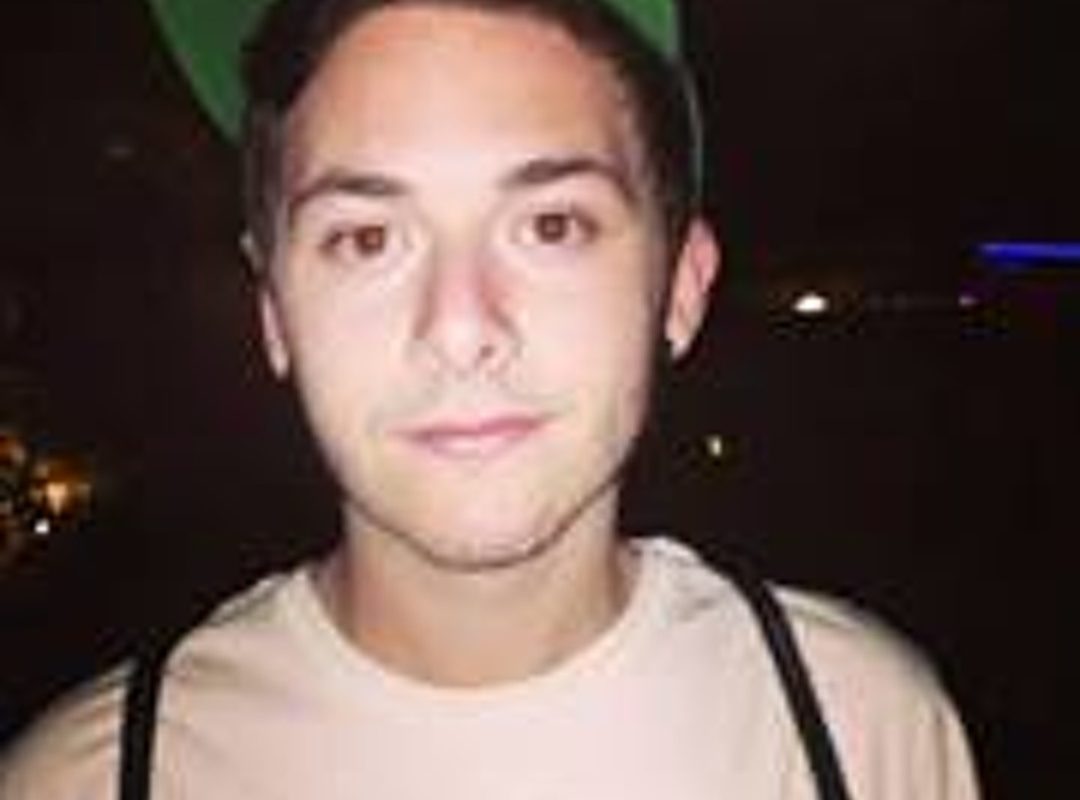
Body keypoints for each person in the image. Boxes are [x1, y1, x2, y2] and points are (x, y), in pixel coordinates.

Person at [0, 0, 980, 797]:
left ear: (681, 287)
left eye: (551, 225)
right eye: (367, 239)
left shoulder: (858, 726)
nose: (460, 326)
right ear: (275, 315)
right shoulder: (94, 778)